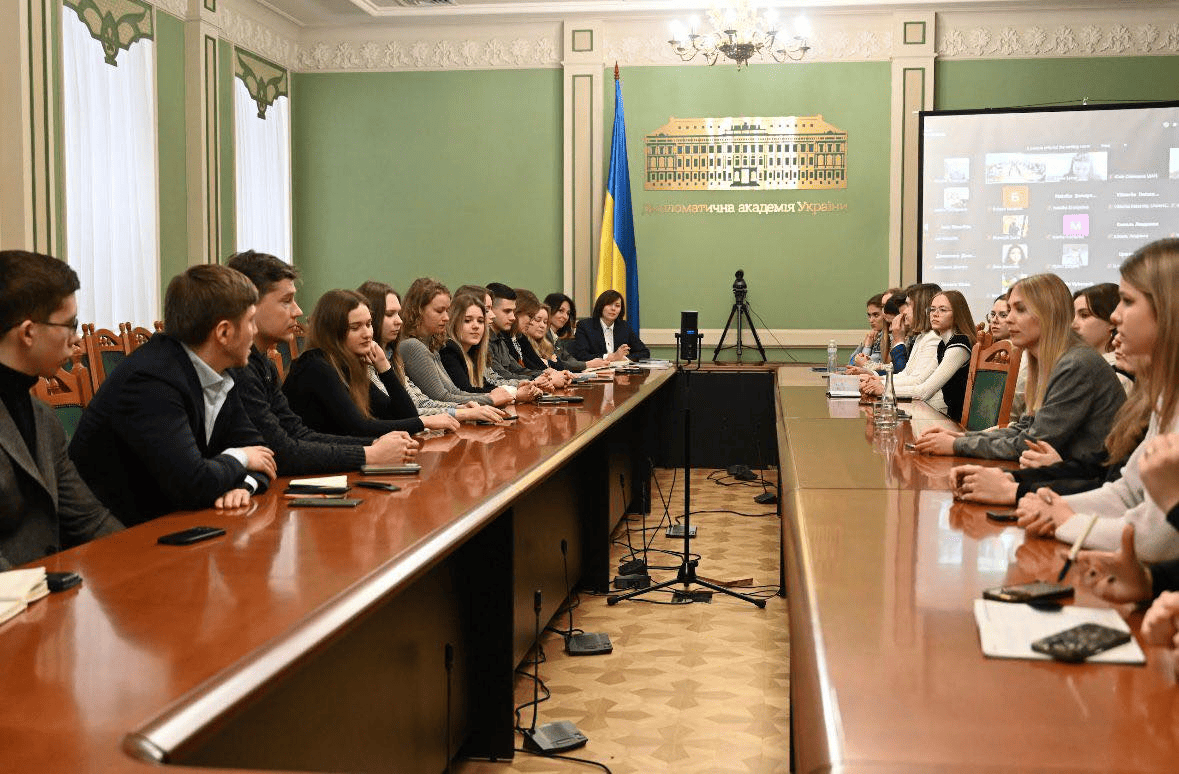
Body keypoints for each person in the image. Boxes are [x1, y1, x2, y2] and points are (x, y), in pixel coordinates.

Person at [1012, 240, 1179, 562]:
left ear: (1169, 309)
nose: (1115, 315)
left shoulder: (1079, 363)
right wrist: (1050, 505)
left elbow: (1158, 539)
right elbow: (1127, 493)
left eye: (1127, 301)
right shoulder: (1165, 397)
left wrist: (1064, 519)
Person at [70, 265, 276, 527]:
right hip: (117, 535)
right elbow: (193, 483)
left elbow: (262, 454)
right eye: (250, 321)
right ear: (224, 332)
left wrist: (243, 486)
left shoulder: (221, 372)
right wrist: (242, 458)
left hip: (175, 523)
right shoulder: (152, 380)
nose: (255, 331)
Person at [225, 251, 419, 475]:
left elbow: (298, 433)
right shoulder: (304, 366)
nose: (298, 311)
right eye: (287, 301)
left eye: (368, 324)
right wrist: (371, 453)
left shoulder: (263, 365)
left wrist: (373, 446)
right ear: (249, 306)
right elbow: (281, 451)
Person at [914, 273, 1125, 462]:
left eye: (1020, 310)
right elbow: (1025, 427)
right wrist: (962, 437)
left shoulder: (1076, 364)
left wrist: (957, 444)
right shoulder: (1052, 362)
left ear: (1048, 314)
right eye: (1010, 310)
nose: (1010, 319)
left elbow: (1031, 443)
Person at [0, 250, 122, 569]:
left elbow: (89, 519)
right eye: (70, 325)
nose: (77, 341)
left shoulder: (42, 416)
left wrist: (144, 561)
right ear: (28, 332)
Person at [283, 290, 469, 438]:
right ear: (332, 333)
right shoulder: (315, 365)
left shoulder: (349, 366)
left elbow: (404, 414)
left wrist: (385, 368)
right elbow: (360, 428)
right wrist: (424, 422)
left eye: (369, 324)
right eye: (355, 327)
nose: (367, 334)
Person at [355, 281, 499, 425]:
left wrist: (459, 408)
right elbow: (401, 412)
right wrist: (465, 410)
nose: (399, 321)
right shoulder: (410, 346)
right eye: (389, 314)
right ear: (418, 311)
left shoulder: (394, 355)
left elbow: (420, 402)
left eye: (398, 314)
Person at [399, 278, 514, 406]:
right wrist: (491, 399)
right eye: (439, 311)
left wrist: (495, 396)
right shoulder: (412, 346)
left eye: (447, 311)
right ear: (418, 310)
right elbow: (441, 397)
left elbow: (454, 391)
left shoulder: (431, 345)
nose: (446, 318)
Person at [863, 290, 975, 419]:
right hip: (939, 414)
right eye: (932, 310)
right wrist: (879, 383)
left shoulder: (959, 346)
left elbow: (924, 391)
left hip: (951, 420)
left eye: (943, 310)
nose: (935, 314)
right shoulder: (943, 344)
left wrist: (884, 389)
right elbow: (919, 380)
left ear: (957, 314)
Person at [1073, 282, 1132, 393]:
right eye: (1072, 316)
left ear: (1112, 322)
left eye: (1084, 315)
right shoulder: (1078, 367)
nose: (1073, 325)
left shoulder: (1117, 377)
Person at [569, 289, 650, 362]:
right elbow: (581, 355)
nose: (613, 309)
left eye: (617, 306)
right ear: (601, 306)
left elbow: (644, 352)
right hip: (597, 371)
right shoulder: (585, 326)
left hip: (620, 371)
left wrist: (623, 358)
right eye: (609, 304)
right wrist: (610, 357)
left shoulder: (624, 327)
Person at [543, 292, 608, 372]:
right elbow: (556, 364)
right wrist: (587, 364)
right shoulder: (543, 335)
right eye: (560, 311)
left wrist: (586, 364)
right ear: (548, 310)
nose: (565, 317)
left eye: (568, 313)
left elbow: (568, 357)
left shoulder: (555, 336)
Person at [848, 293, 886, 367]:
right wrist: (864, 344)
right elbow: (851, 363)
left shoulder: (888, 337)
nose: (871, 320)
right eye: (869, 315)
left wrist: (867, 347)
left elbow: (862, 367)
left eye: (876, 315)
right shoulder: (874, 335)